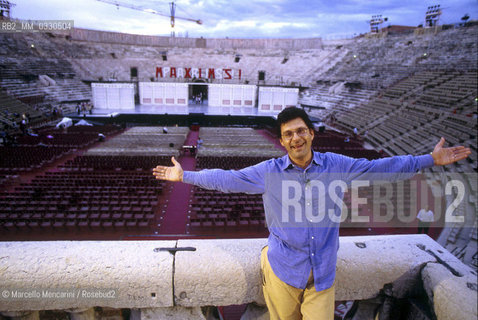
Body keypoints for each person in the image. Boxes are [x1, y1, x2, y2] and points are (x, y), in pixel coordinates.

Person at [152, 107, 470, 320]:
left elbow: (380, 169)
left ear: (311, 134)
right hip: (282, 271)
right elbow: (228, 180)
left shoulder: (337, 166)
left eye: (301, 131)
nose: (296, 138)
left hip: (322, 275)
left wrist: (428, 160)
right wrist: (185, 177)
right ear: (282, 141)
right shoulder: (269, 171)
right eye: (289, 134)